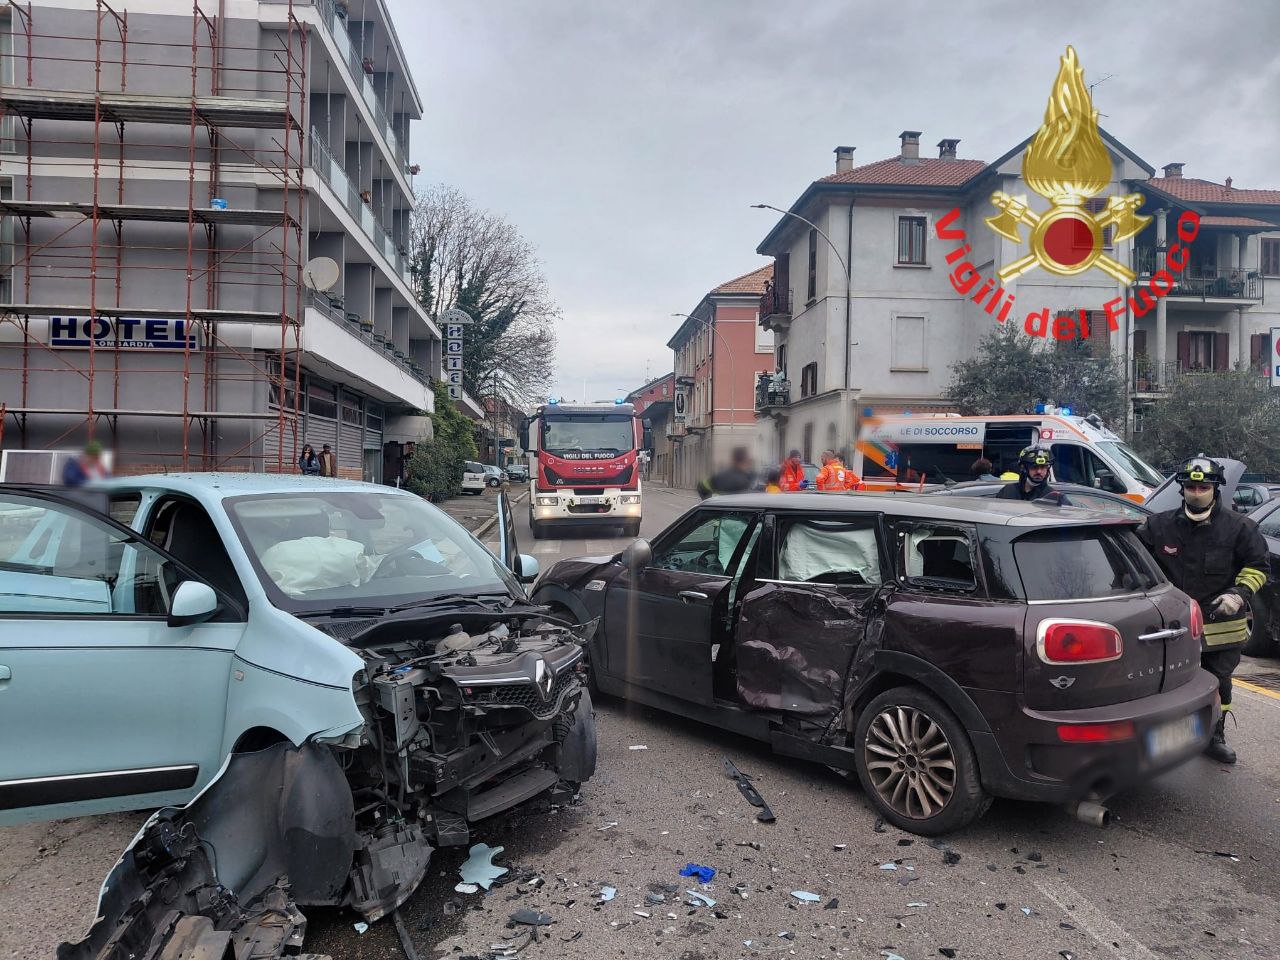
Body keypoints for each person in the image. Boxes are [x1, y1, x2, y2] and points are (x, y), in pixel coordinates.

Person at [1135, 454, 1269, 764]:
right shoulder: (1158, 525)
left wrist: (1239, 593)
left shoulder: (1240, 528)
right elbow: (1136, 565)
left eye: (1204, 487)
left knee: (1218, 682)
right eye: (1191, 487)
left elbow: (1259, 566)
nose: (1197, 493)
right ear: (1182, 489)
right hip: (1172, 627)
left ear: (1215, 488)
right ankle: (1163, 739)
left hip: (1221, 626)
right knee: (1165, 684)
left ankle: (1214, 735)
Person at [995, 444, 1071, 504]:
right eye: (1034, 467)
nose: (1039, 471)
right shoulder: (1008, 491)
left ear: (1047, 469)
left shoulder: (1055, 497)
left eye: (1043, 467)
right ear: (1023, 468)